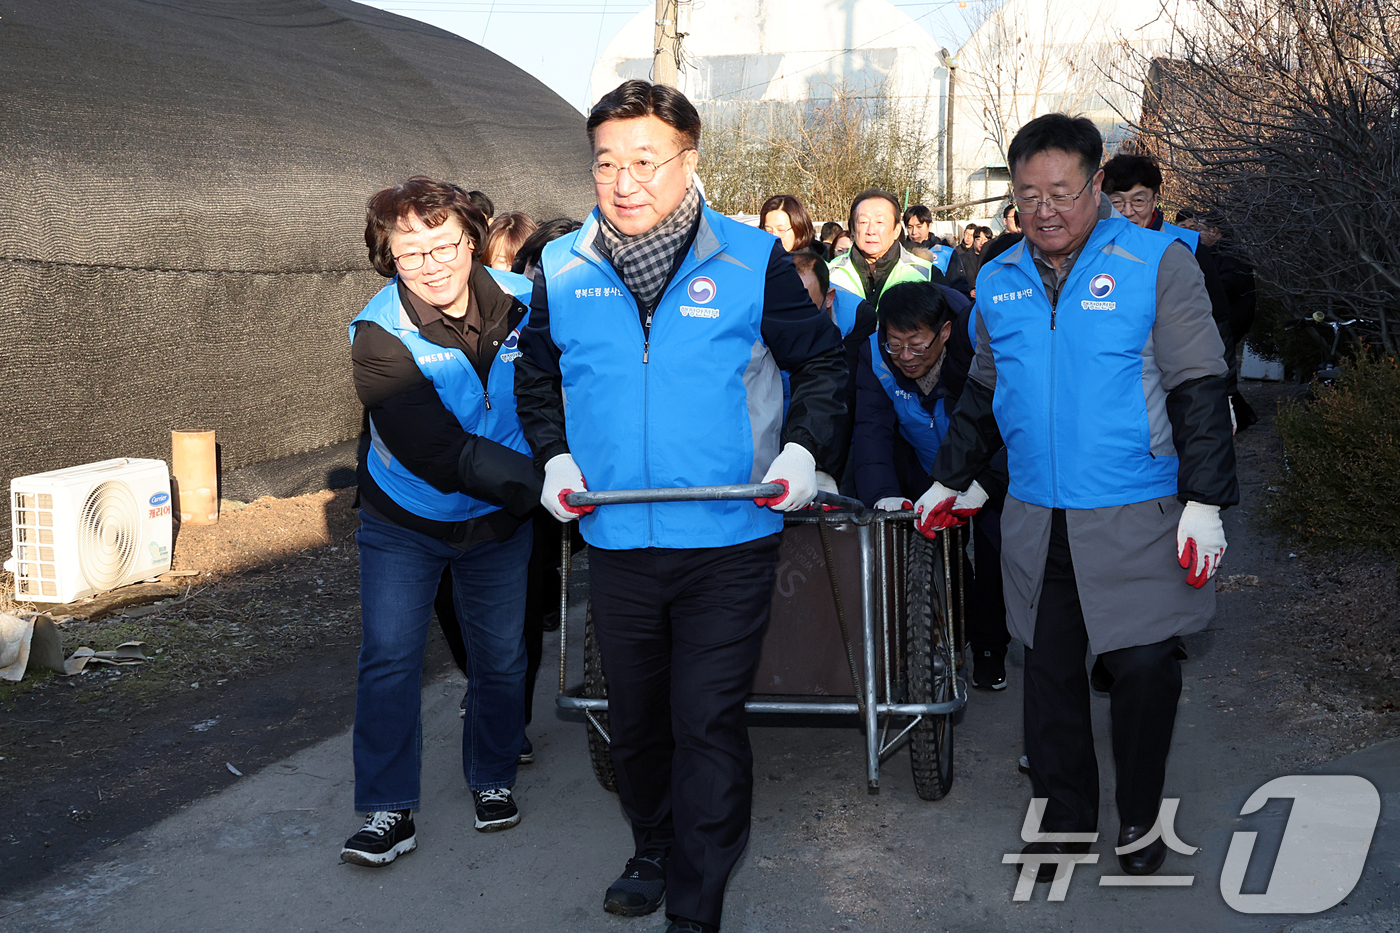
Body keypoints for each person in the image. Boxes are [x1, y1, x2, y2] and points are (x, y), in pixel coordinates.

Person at [514, 80, 846, 933]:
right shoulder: (560, 266)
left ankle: (697, 899)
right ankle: (653, 841)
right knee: (635, 719)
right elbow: (538, 375)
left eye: (645, 161)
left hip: (730, 536)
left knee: (705, 715)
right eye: (607, 163)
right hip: (616, 533)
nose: (625, 181)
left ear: (689, 161)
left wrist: (804, 449)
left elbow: (823, 364)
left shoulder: (749, 258)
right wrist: (552, 454)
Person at [922, 114, 1237, 881]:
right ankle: (1065, 815)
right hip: (1036, 512)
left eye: (1062, 191)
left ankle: (1138, 810)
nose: (1046, 210)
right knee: (1051, 673)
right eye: (1029, 195)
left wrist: (1206, 499)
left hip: (1139, 507)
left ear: (1097, 185)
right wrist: (952, 474)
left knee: (1142, 668)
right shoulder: (996, 279)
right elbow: (983, 389)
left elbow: (1199, 384)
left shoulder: (1157, 262)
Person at [343, 177, 542, 866]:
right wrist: (548, 485)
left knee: (502, 653)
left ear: (472, 239)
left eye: (444, 244)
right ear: (388, 257)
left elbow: (569, 392)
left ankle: (492, 775)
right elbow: (437, 450)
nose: (431, 263)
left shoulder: (526, 305)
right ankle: (387, 807)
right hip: (408, 516)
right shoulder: (377, 335)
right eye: (410, 252)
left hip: (499, 521)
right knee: (390, 656)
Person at [852, 281, 1011, 688]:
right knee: (943, 549)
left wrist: (985, 483)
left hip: (991, 466)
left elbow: (1004, 423)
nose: (905, 357)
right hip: (928, 464)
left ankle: (991, 647)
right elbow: (871, 431)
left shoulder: (978, 348)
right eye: (895, 344)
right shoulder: (874, 355)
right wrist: (882, 493)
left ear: (943, 332)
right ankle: (953, 637)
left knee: (997, 551)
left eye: (917, 345)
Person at [1101, 154, 1256, 430]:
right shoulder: (1093, 251)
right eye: (1116, 202)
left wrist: (1225, 393)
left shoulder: (1186, 244)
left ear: (1154, 199)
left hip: (1173, 385)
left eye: (1138, 200)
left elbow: (1217, 325)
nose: (1127, 211)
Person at [828, 188, 969, 307]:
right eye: (863, 222)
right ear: (852, 230)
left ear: (896, 230)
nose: (871, 230)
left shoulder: (926, 273)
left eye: (879, 221)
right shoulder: (829, 274)